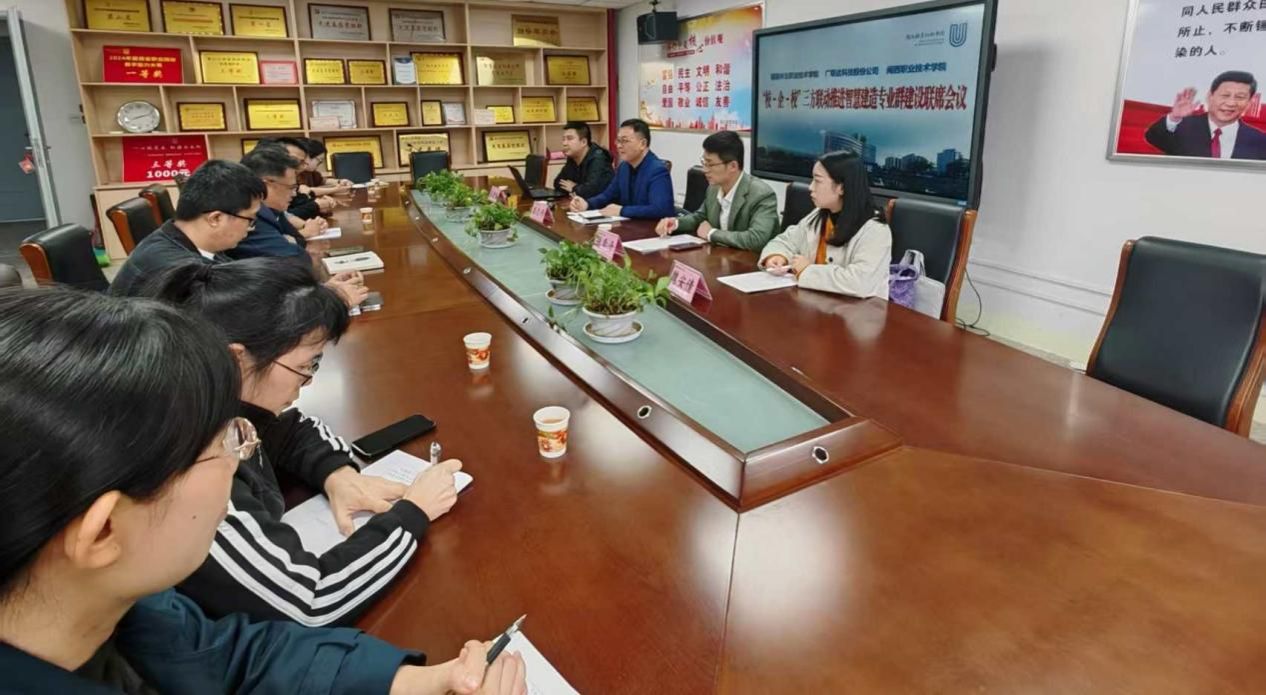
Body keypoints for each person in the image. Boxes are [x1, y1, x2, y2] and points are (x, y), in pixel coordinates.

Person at [0, 287, 526, 694]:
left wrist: (416, 682)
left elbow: (227, 657)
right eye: (224, 444)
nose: (244, 454)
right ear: (103, 531)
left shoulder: (124, 603)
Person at [137, 259, 461, 628]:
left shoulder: (210, 403)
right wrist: (413, 512)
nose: (307, 382)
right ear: (236, 359)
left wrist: (338, 475)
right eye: (306, 366)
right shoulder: (194, 470)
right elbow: (313, 601)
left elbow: (292, 430)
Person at [109, 159, 264, 297]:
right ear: (215, 218)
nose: (251, 228)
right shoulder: (184, 275)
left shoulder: (176, 235)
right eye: (250, 219)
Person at [759, 151, 892, 299]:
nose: (811, 187)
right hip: (816, 303)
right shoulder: (819, 215)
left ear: (841, 187)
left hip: (857, 310)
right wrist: (777, 256)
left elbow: (860, 283)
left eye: (818, 181)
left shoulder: (875, 230)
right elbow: (786, 241)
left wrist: (807, 271)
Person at [654, 130, 779, 251]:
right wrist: (676, 223)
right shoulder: (713, 188)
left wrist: (712, 233)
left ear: (733, 166)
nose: (705, 170)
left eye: (710, 164)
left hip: (750, 262)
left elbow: (756, 239)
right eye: (704, 162)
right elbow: (700, 217)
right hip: (722, 256)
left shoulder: (762, 194)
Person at [1144, 70, 1266, 159]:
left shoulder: (1260, 140)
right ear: (1210, 96)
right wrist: (1174, 117)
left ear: (1249, 102)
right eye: (1225, 95)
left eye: (1240, 97)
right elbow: (1153, 138)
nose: (1231, 103)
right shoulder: (1183, 127)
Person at [569, 118, 674, 220]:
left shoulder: (657, 170)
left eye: (624, 141)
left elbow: (661, 209)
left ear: (642, 144)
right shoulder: (624, 167)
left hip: (650, 229)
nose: (619, 146)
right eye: (618, 141)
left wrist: (622, 211)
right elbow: (607, 196)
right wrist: (587, 204)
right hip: (629, 226)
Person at [234, 145, 328, 258]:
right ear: (264, 185)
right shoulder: (247, 215)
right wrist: (292, 240)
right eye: (291, 188)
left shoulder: (273, 211)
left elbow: (296, 239)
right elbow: (288, 252)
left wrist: (293, 239)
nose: (294, 194)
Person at [268, 137, 339, 218]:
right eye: (296, 160)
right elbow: (281, 217)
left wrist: (318, 204)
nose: (304, 166)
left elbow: (295, 206)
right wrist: (316, 205)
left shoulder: (292, 175)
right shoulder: (274, 180)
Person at [553, 121, 614, 198]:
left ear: (584, 142)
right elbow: (558, 183)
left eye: (569, 139)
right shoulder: (573, 156)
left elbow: (592, 191)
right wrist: (578, 189)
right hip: (582, 202)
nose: (564, 143)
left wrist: (574, 188)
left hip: (605, 204)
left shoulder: (599, 159)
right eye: (563, 139)